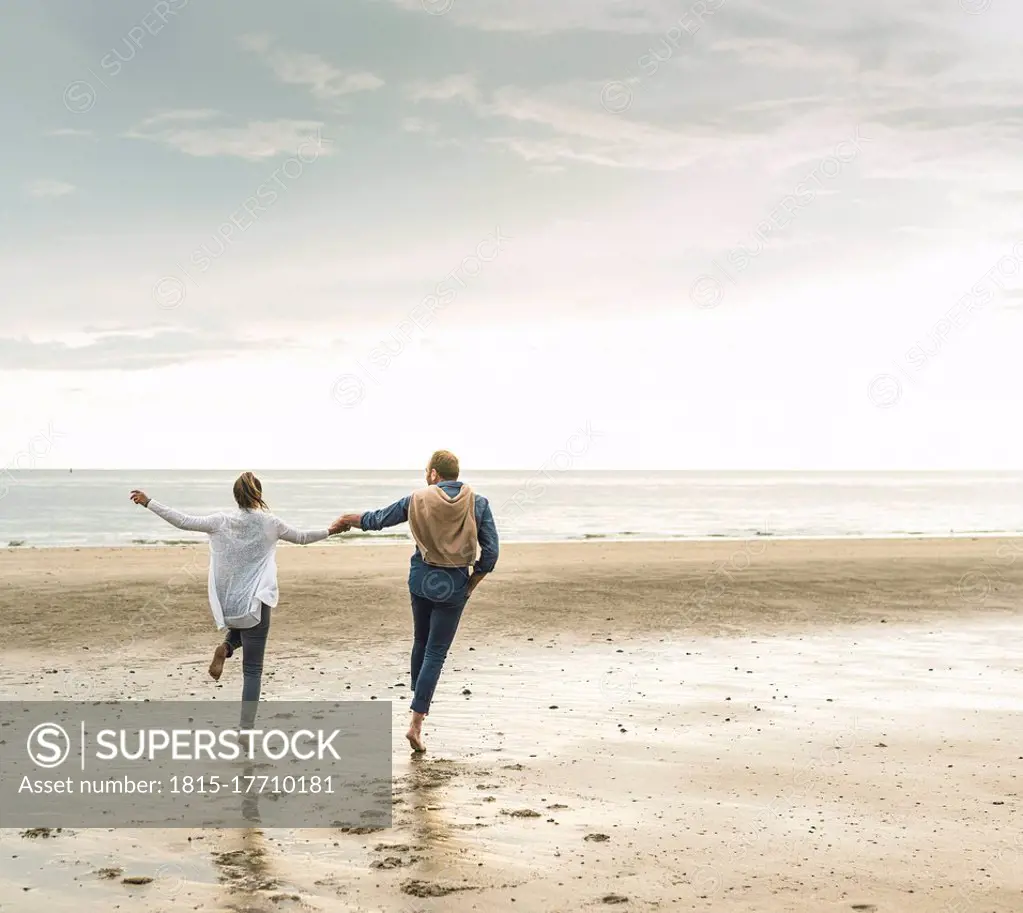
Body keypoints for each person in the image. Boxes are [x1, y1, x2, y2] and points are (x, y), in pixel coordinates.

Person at [130, 472, 348, 722]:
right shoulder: (270, 523)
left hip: (228, 606)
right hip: (254, 604)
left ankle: (226, 647)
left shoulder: (220, 521)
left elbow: (183, 521)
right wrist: (331, 530)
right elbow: (301, 537)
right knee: (253, 670)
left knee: (241, 627)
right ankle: (245, 729)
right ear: (259, 494)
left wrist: (149, 502)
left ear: (236, 496)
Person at [339, 450, 498, 753]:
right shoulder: (478, 503)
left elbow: (377, 520)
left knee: (421, 642)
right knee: (435, 653)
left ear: (435, 474)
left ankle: (417, 698)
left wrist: (348, 519)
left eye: (427, 471)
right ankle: (416, 722)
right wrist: (473, 580)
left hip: (422, 580)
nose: (426, 476)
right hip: (453, 584)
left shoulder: (417, 499)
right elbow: (490, 553)